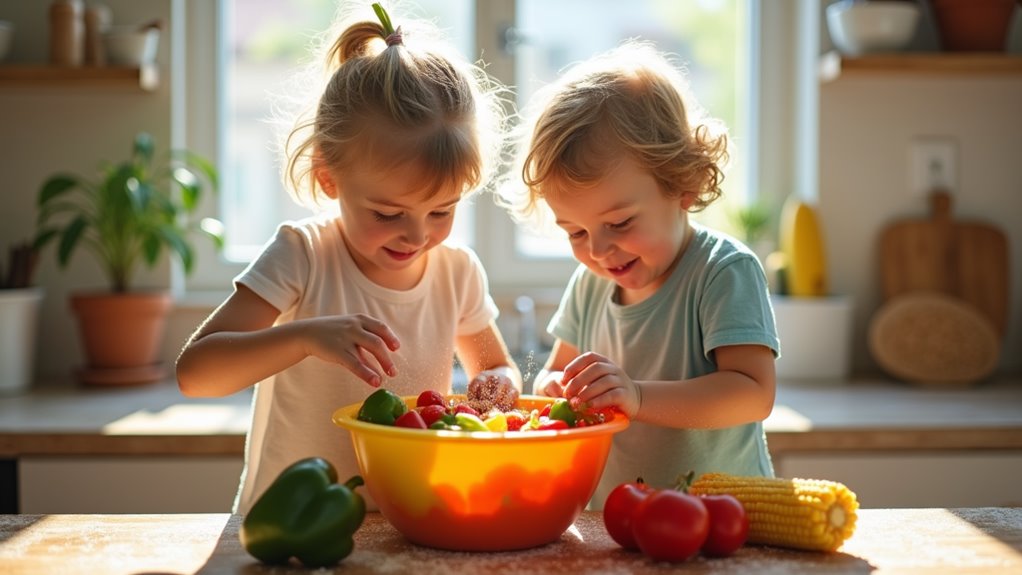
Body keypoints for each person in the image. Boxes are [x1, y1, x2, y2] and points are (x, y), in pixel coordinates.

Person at [176, 2, 521, 514]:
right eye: (387, 212)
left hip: (409, 512)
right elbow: (196, 374)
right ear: (328, 178)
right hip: (290, 518)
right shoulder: (303, 254)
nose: (417, 235)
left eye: (442, 210)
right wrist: (305, 337)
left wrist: (498, 386)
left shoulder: (458, 271)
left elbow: (499, 370)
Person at [500, 41, 779, 509]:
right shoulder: (591, 283)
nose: (597, 250)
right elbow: (554, 370)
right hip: (617, 521)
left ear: (683, 185)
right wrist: (552, 390)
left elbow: (752, 393)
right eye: (575, 231)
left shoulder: (722, 272)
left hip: (722, 522)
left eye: (620, 223)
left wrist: (637, 396)